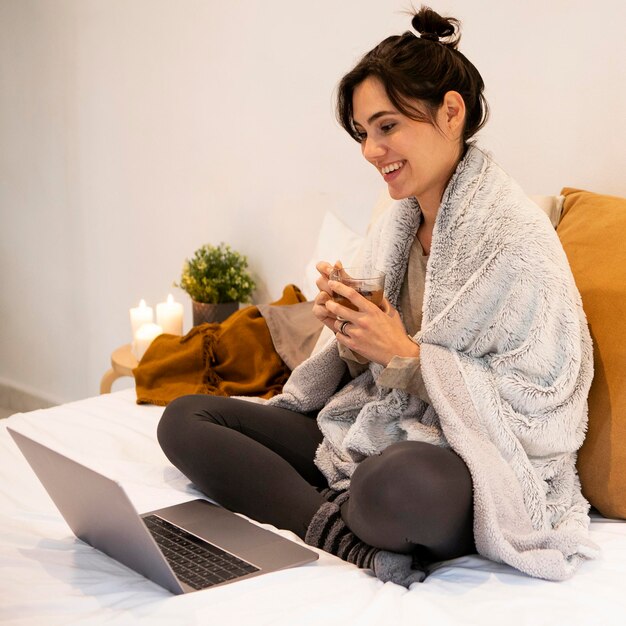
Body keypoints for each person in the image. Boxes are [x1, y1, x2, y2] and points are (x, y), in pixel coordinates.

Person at [157, 6, 597, 585]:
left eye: (387, 127)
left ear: (451, 112)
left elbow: (544, 401)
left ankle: (337, 505)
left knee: (392, 485)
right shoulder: (396, 223)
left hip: (471, 462)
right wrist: (348, 332)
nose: (371, 150)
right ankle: (339, 533)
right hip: (380, 426)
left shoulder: (514, 235)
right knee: (186, 418)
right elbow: (365, 370)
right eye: (364, 133)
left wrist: (408, 357)